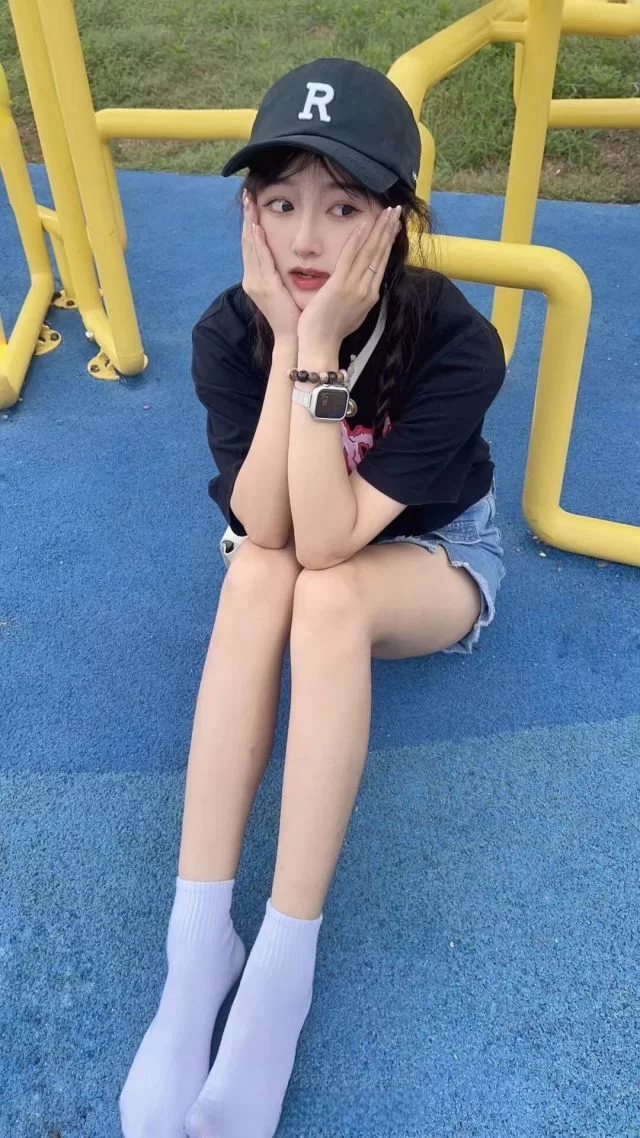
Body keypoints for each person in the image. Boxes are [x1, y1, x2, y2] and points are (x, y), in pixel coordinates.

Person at [119, 56, 506, 1138]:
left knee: (327, 597)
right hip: (294, 535)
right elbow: (268, 525)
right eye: (280, 202)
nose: (304, 239)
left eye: (341, 208)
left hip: (432, 553)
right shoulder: (227, 331)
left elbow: (331, 541)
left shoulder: (456, 340)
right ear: (248, 211)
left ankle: (284, 964)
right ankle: (198, 950)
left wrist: (321, 348)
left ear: (394, 221)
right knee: (259, 570)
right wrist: (291, 341)